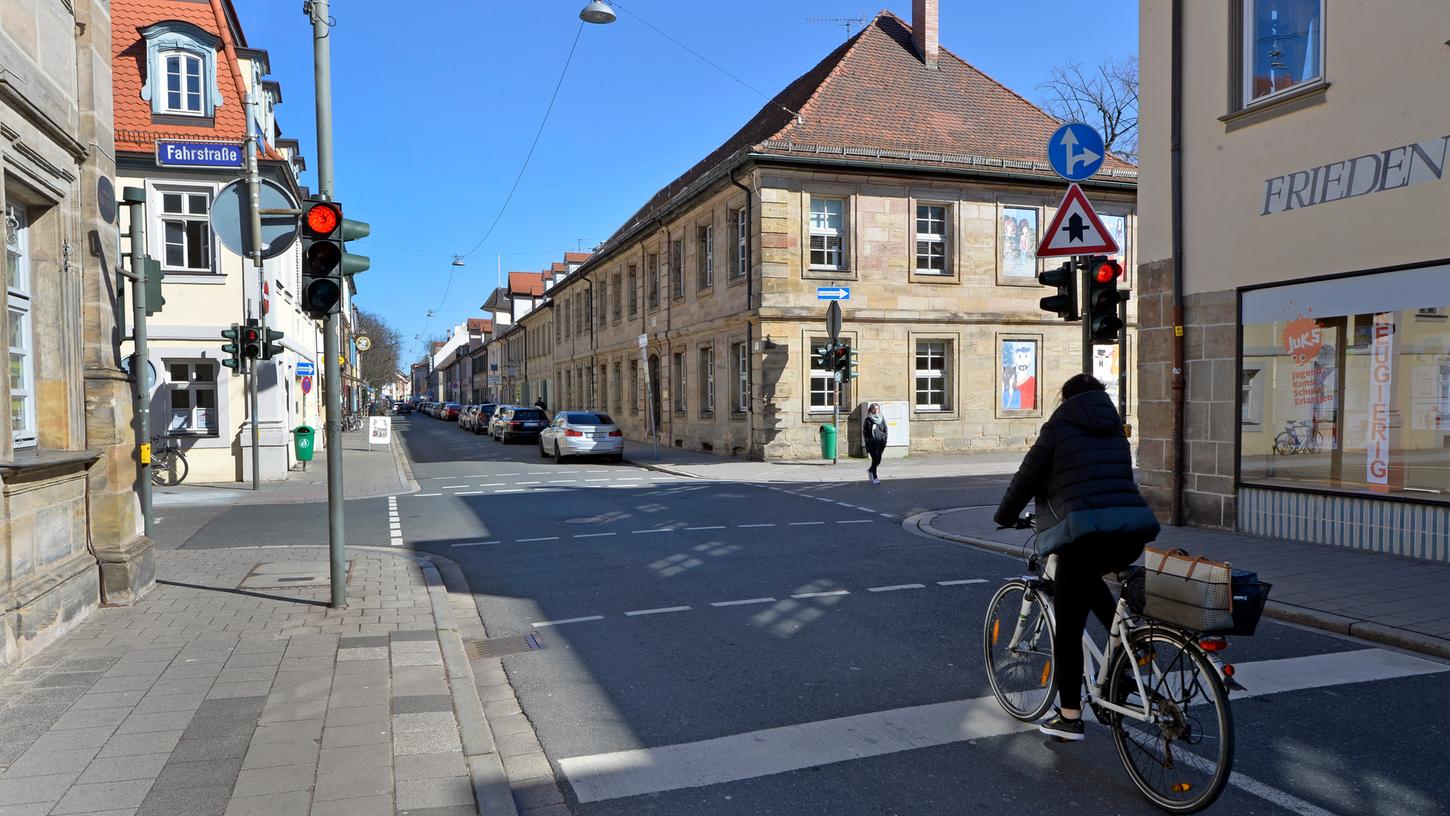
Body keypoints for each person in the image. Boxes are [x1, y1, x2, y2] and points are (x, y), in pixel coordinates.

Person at [993, 374, 1160, 742]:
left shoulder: (1059, 426)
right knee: (1088, 578)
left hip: (1085, 534)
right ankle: (1136, 645)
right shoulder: (1115, 428)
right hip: (1131, 530)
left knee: (1067, 627)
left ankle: (1069, 716)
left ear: (1066, 399)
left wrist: (1005, 516)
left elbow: (1027, 476)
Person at [862, 403, 887, 484]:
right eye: (874, 409)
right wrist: (868, 442)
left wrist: (885, 439)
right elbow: (865, 433)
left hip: (880, 443)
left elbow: (885, 429)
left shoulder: (881, 418)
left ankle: (870, 470)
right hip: (872, 444)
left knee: (878, 460)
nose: (876, 410)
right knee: (875, 459)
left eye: (877, 409)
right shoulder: (868, 420)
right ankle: (875, 477)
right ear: (871, 410)